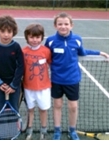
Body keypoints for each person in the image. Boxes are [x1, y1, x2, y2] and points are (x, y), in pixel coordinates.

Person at [44, 12, 109, 140]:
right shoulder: (51, 41)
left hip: (72, 79)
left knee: (73, 107)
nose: (63, 26)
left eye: (66, 24)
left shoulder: (77, 39)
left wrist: (100, 53)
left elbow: (83, 52)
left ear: (71, 25)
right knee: (57, 105)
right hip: (56, 80)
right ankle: (57, 131)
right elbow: (45, 55)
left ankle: (72, 130)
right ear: (55, 25)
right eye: (60, 24)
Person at [0, 15, 24, 115]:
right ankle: (2, 130)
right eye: (3, 31)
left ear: (13, 32)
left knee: (14, 110)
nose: (6, 35)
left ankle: (14, 130)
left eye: (9, 31)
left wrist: (14, 85)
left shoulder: (16, 47)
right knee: (0, 111)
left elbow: (21, 67)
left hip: (14, 86)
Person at [22, 24, 52, 140]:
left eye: (37, 37)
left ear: (41, 37)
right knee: (30, 109)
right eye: (31, 37)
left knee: (43, 110)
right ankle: (29, 130)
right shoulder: (23, 51)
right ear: (27, 38)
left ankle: (43, 130)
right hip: (28, 87)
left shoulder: (46, 51)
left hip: (44, 87)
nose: (35, 40)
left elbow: (50, 64)